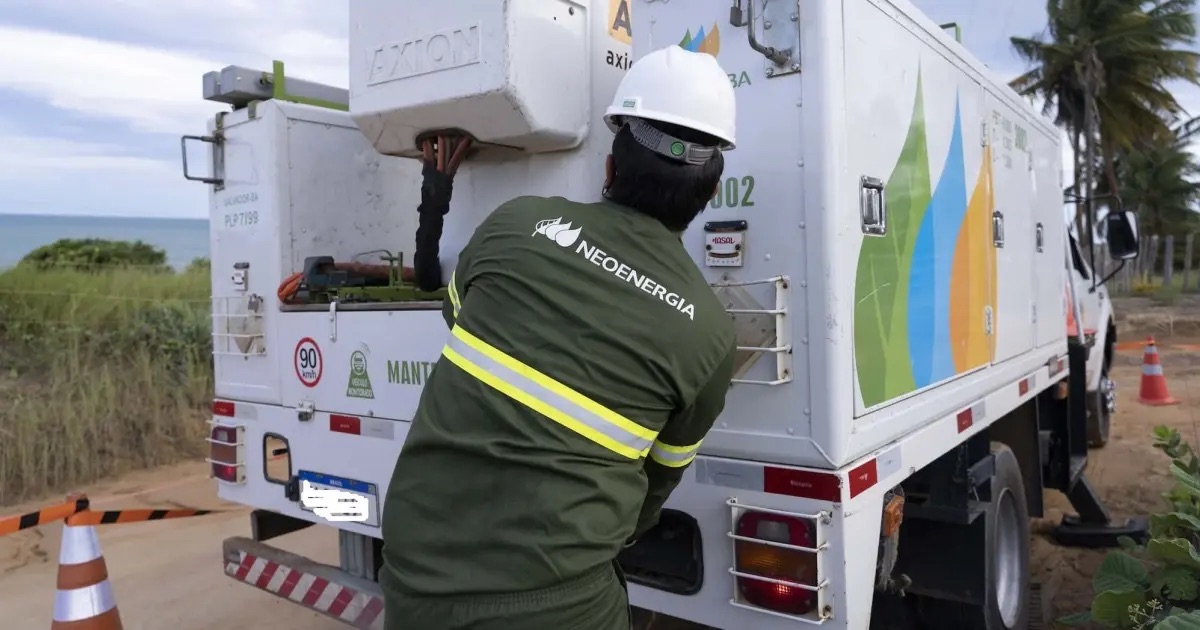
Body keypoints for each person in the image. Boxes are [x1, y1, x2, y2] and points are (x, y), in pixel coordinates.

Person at [380, 44, 738, 630]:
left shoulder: (516, 224)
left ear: (610, 168)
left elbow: (459, 316)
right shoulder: (709, 335)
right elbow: (656, 481)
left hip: (416, 577)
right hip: (562, 603)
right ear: (708, 194)